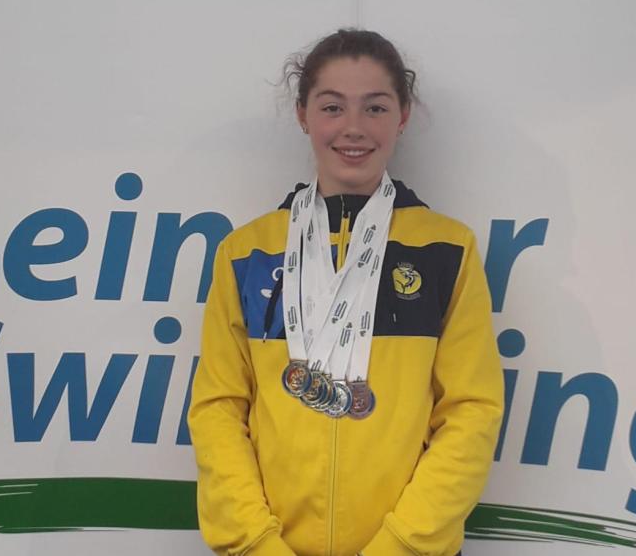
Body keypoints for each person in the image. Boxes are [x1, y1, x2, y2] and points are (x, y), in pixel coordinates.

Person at [188, 29, 503, 556]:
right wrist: (257, 544)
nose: (354, 127)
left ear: (402, 116)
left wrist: (401, 547)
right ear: (303, 115)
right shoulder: (246, 253)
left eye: (375, 107)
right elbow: (218, 409)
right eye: (332, 107)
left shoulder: (447, 251)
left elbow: (472, 411)